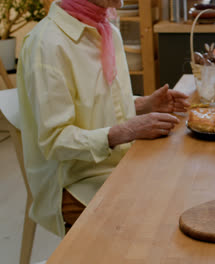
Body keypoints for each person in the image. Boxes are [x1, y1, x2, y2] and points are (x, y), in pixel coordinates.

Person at [16, 0, 190, 237]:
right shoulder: (47, 45)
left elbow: (98, 104)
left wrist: (141, 105)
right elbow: (55, 141)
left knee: (187, 187)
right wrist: (126, 131)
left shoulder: (106, 30)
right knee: (165, 224)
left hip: (118, 167)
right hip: (73, 184)